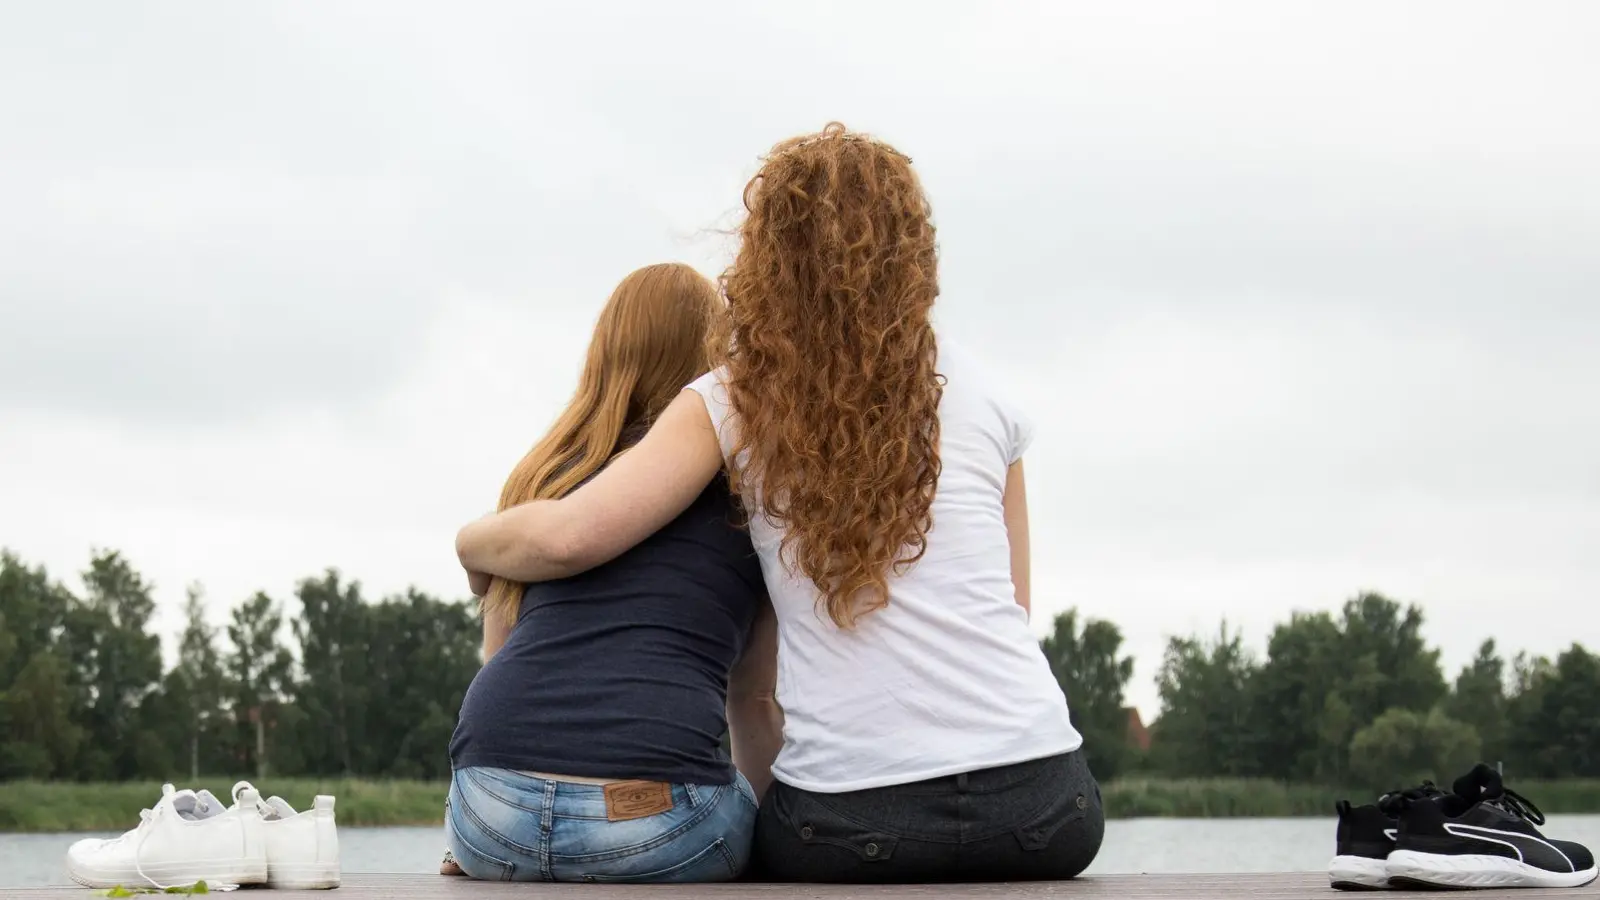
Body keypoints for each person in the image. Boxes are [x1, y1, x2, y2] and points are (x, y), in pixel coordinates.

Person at [455, 123, 1103, 883]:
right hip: (1045, 810)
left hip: (850, 826)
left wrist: (471, 543)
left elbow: (571, 538)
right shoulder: (993, 399)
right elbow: (1012, 620)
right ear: (913, 253)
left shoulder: (730, 402)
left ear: (768, 259)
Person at [444, 262, 765, 883]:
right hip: (658, 824)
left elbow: (498, 655)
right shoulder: (746, 495)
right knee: (746, 807)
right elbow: (753, 697)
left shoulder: (545, 481)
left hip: (487, 811)